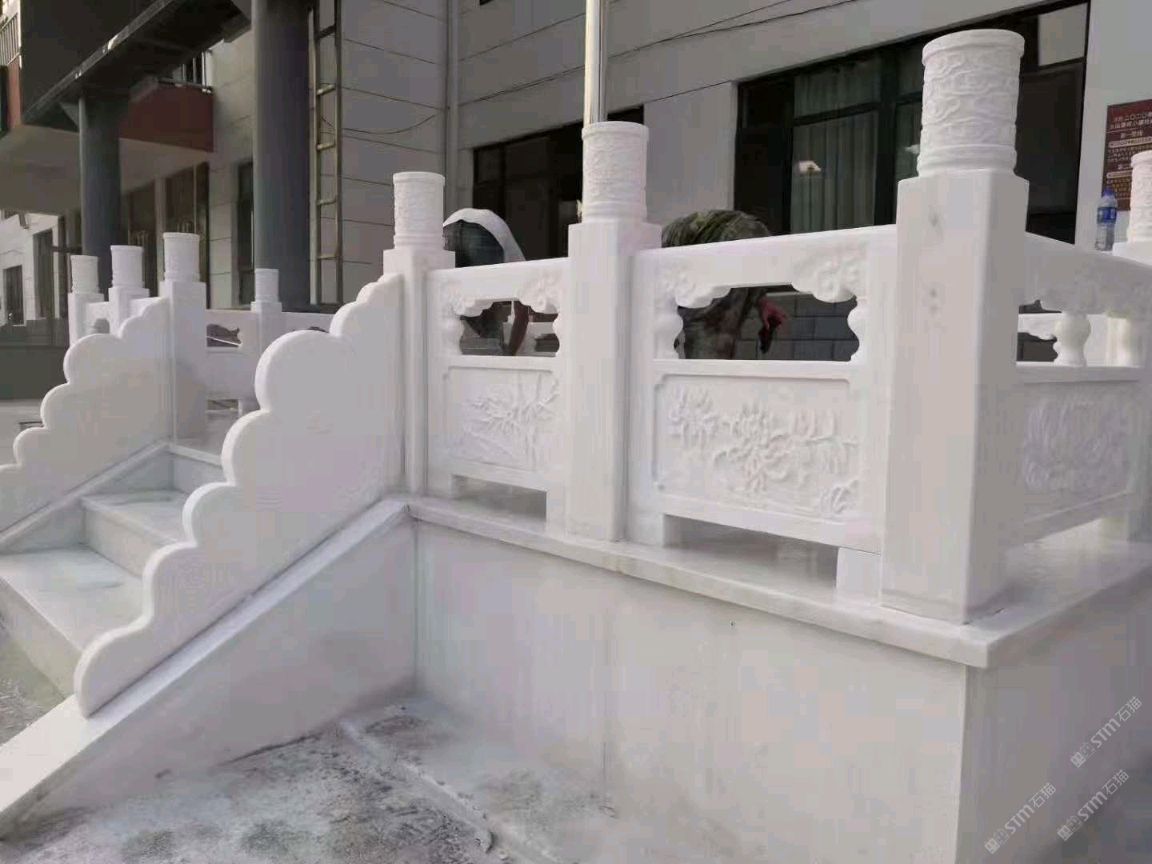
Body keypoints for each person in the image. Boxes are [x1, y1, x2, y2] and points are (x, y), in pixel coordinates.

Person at [662, 209, 788, 359]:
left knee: (707, 331)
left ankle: (707, 373)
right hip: (756, 233)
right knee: (720, 330)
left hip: (728, 241)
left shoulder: (652, 253)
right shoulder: (665, 239)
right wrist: (762, 302)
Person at [442, 209, 533, 356]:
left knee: (449, 300)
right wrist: (510, 352)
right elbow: (522, 315)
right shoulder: (522, 269)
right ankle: (494, 355)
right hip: (484, 228)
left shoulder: (514, 261)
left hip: (448, 228)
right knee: (488, 303)